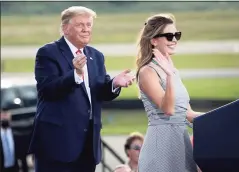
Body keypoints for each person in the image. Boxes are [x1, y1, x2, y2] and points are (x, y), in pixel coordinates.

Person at [28, 6, 135, 172]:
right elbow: (47, 90)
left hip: (87, 145)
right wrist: (75, 74)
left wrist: (114, 83)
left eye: (89, 25)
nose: (86, 29)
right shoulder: (48, 53)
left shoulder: (96, 56)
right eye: (80, 25)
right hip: (57, 145)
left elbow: (100, 91)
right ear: (65, 28)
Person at [135, 13, 204, 172]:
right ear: (153, 40)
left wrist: (223, 116)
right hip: (161, 145)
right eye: (169, 36)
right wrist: (168, 75)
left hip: (181, 142)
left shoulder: (172, 71)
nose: (174, 40)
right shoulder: (148, 71)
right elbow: (168, 109)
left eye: (176, 35)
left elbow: (187, 113)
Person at [1, 108, 19, 172]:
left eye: (6, 114)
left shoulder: (16, 132)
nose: (4, 117)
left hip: (14, 167)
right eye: (2, 114)